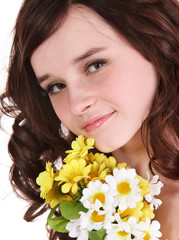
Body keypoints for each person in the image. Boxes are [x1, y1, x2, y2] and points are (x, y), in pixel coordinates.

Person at [0, 0, 179, 239]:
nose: (76, 104)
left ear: (156, 41)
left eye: (95, 65)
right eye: (56, 86)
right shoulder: (79, 211)